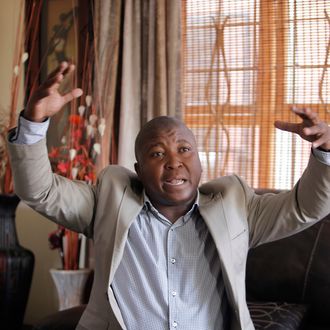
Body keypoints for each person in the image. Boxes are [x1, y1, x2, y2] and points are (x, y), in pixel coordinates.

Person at [8, 62, 330, 330]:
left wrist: (326, 152)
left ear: (200, 160)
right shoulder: (107, 203)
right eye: (158, 153)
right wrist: (34, 124)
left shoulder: (236, 206)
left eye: (184, 149)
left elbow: (305, 207)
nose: (174, 162)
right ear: (139, 169)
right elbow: (41, 190)